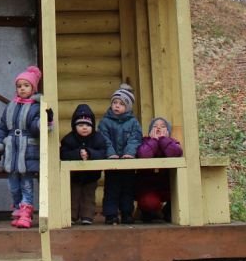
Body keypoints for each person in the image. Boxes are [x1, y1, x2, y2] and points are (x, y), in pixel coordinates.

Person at [0, 65, 50, 229]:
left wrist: (45, 120)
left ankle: (26, 212)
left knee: (26, 184)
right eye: (19, 86)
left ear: (33, 88)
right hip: (11, 152)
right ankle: (17, 208)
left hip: (27, 151)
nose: (22, 89)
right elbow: (2, 127)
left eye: (26, 85)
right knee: (13, 185)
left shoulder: (36, 107)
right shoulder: (10, 106)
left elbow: (36, 128)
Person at [98, 83, 142, 225]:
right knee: (112, 188)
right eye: (114, 102)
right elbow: (104, 139)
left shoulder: (133, 122)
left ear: (127, 107)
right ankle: (110, 215)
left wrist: (129, 153)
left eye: (121, 104)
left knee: (128, 188)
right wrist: (110, 154)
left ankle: (127, 213)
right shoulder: (105, 121)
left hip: (127, 162)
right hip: (112, 162)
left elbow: (135, 139)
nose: (116, 106)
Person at [59, 103, 107, 224]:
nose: (84, 127)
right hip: (74, 176)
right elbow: (63, 154)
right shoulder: (69, 139)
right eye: (80, 125)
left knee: (88, 196)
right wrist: (77, 154)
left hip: (91, 176)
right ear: (74, 126)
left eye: (87, 125)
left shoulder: (98, 138)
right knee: (73, 196)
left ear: (93, 126)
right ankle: (72, 216)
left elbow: (102, 153)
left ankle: (87, 216)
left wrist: (90, 153)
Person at [136, 116, 183, 222]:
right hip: (148, 185)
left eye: (162, 126)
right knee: (149, 203)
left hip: (168, 184)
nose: (158, 128)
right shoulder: (145, 141)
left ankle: (168, 211)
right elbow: (144, 154)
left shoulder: (172, 142)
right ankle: (148, 212)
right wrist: (153, 140)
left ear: (168, 131)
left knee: (178, 195)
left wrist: (163, 140)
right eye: (155, 126)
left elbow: (175, 153)